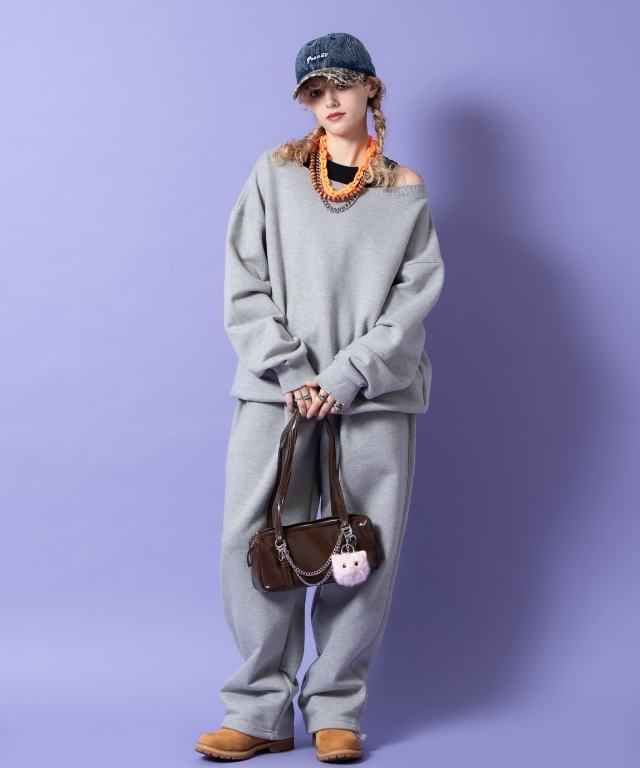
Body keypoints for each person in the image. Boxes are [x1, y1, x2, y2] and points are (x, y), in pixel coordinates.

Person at [194, 32, 445, 762]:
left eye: (340, 85)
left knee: (363, 551)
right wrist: (292, 373)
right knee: (252, 545)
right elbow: (244, 285)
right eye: (314, 91)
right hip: (277, 396)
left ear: (372, 88)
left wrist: (343, 378)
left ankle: (337, 709)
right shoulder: (273, 175)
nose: (328, 101)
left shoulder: (404, 191)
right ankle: (259, 713)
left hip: (371, 398)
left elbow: (411, 303)